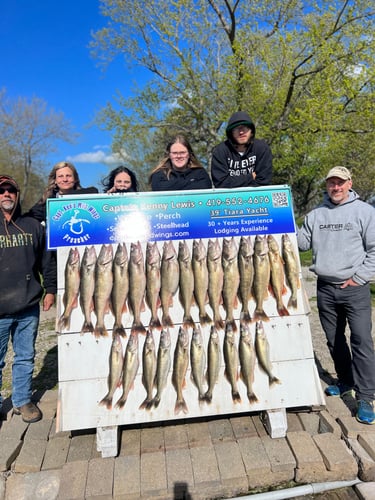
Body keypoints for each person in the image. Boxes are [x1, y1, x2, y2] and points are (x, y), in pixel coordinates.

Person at [297, 166, 375, 425]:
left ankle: (365, 396)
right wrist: (275, 221)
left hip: (355, 289)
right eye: (331, 183)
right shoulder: (316, 214)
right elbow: (301, 243)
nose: (336, 187)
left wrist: (359, 278)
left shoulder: (365, 212)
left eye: (340, 183)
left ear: (349, 183)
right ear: (327, 185)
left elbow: (374, 250)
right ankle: (345, 381)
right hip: (325, 288)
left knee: (362, 340)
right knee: (333, 340)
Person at [0, 175, 56, 423]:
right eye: (1, 191)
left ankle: (22, 401)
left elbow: (46, 262)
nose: (6, 195)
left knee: (25, 357)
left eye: (10, 190)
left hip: (28, 306)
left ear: (18, 194)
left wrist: (50, 289)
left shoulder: (32, 226)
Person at [211, 111, 272, 188]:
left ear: (251, 131)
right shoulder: (220, 151)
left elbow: (264, 181)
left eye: (245, 127)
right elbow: (221, 184)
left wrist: (233, 181)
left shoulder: (262, 148)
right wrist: (250, 177)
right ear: (231, 133)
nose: (241, 132)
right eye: (236, 129)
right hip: (230, 198)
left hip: (257, 197)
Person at [27, 161, 98, 223]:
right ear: (55, 180)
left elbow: (94, 191)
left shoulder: (87, 196)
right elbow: (29, 217)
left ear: (75, 179)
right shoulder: (48, 201)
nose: (65, 179)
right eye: (60, 176)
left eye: (68, 176)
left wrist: (65, 196)